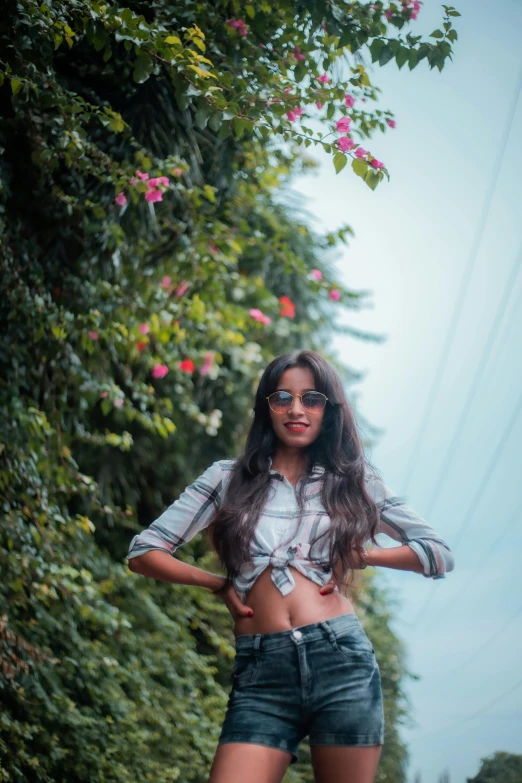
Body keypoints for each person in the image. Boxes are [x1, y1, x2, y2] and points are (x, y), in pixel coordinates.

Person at [127, 349, 455, 783]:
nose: (296, 409)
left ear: (328, 410)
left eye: (311, 399)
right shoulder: (227, 479)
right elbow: (144, 552)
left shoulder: (355, 480)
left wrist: (361, 555)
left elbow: (437, 553)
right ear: (267, 407)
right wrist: (218, 585)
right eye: (282, 398)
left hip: (340, 660)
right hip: (261, 672)